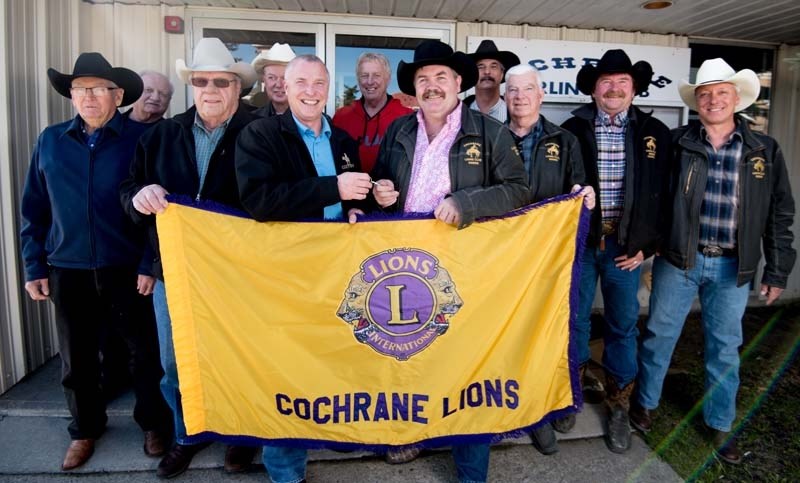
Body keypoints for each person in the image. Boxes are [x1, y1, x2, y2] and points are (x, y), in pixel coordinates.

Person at [366, 39, 529, 483]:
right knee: (409, 356)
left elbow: (519, 190)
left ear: (459, 83)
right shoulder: (400, 131)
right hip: (407, 268)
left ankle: (471, 467)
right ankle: (411, 432)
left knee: (466, 365)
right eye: (423, 79)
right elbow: (384, 182)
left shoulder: (489, 131)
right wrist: (380, 192)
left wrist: (466, 202)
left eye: (441, 77)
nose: (432, 86)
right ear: (413, 89)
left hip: (466, 269)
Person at [632, 58, 795, 465]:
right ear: (696, 102)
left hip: (731, 267)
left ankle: (721, 424)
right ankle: (645, 404)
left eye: (721, 93)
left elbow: (779, 213)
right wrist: (649, 244)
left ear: (736, 98)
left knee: (724, 348)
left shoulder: (764, 150)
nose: (713, 100)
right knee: (659, 336)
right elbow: (654, 199)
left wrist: (776, 270)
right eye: (705, 95)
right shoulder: (677, 143)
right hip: (678, 261)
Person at [20, 52, 171, 471]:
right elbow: (34, 207)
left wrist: (148, 262)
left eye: (98, 89)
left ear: (118, 95)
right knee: (77, 356)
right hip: (67, 267)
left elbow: (157, 210)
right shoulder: (51, 140)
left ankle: (154, 423)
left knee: (145, 352)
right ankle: (85, 429)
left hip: (126, 267)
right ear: (71, 95)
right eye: (79, 89)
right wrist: (34, 265)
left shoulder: (139, 139)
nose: (88, 97)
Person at [119, 37, 259, 479]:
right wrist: (138, 197)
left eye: (221, 81)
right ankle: (188, 434)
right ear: (191, 86)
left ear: (238, 88)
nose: (211, 89)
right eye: (201, 81)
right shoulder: (162, 134)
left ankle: (241, 434)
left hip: (241, 273)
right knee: (176, 362)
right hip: (173, 272)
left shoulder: (262, 133)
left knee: (240, 356)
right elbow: (127, 191)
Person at [235, 54, 368, 483]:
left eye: (318, 83)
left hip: (336, 273)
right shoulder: (260, 135)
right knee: (286, 371)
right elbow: (258, 201)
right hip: (284, 276)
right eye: (301, 83)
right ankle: (286, 472)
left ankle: (328, 432)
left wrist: (357, 207)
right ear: (285, 88)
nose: (310, 91)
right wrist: (333, 188)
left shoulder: (344, 141)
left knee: (331, 363)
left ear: (328, 88)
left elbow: (352, 198)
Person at [561, 49, 670, 454]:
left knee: (623, 326)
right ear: (593, 89)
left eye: (622, 82)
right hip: (585, 246)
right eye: (605, 81)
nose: (614, 88)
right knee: (575, 323)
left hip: (628, 250)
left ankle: (619, 405)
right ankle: (569, 394)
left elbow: (666, 195)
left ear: (634, 89)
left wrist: (648, 246)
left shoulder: (655, 132)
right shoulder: (571, 129)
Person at [504, 62, 596, 455]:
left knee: (546, 333)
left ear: (540, 95)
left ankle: (542, 409)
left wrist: (585, 198)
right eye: (514, 91)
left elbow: (577, 190)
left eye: (527, 89)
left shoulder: (565, 140)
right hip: (502, 259)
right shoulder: (489, 138)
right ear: (505, 97)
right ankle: (514, 408)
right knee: (506, 334)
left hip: (546, 257)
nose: (520, 97)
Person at [332, 52, 413, 172]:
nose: (370, 81)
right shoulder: (341, 117)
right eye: (364, 75)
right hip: (349, 190)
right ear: (358, 79)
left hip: (392, 190)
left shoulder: (407, 117)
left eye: (377, 75)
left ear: (388, 79)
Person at [463, 39, 520, 123]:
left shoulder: (516, 114)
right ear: (473, 74)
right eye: (480, 67)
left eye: (493, 66)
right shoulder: (459, 114)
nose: (487, 72)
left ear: (502, 74)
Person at [252, 43, 296, 118]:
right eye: (271, 77)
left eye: (285, 78)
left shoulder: (312, 121)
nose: (278, 84)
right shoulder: (252, 120)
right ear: (264, 80)